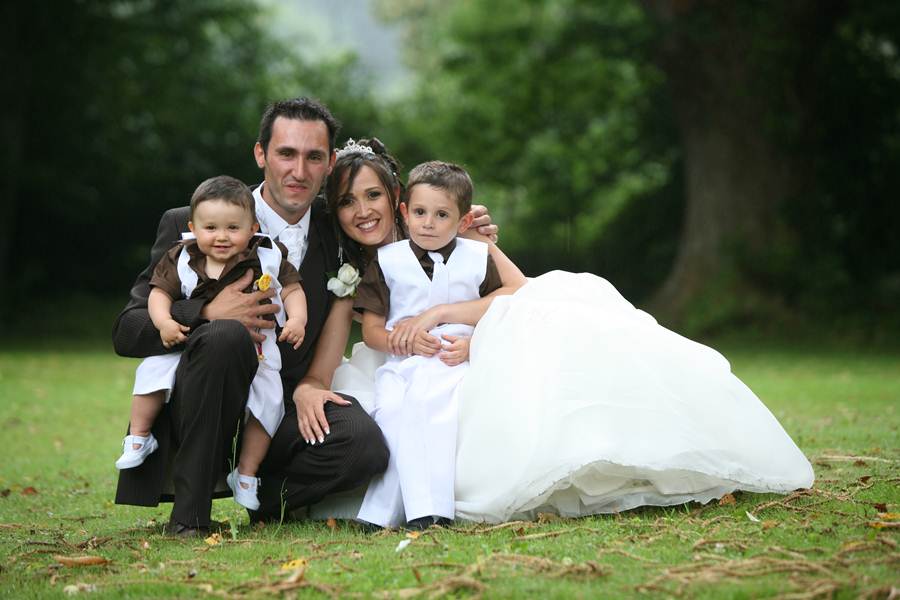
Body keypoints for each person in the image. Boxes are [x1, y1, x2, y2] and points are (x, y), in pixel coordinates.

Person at [317, 140, 815, 524]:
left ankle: (631, 444)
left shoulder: (451, 226)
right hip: (405, 360)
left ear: (396, 199)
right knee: (412, 406)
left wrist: (459, 318)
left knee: (573, 337)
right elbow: (370, 330)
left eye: (373, 195)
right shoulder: (351, 265)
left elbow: (518, 289)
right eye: (347, 201)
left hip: (484, 327)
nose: (363, 210)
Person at [113, 99, 500, 535]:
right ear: (261, 154)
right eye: (286, 154)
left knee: (364, 445)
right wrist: (204, 312)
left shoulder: (338, 225)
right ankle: (190, 516)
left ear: (330, 163)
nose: (299, 171)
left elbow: (392, 217)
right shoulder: (196, 221)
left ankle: (265, 497)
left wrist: (462, 230)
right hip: (206, 399)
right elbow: (127, 331)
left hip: (283, 409)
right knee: (225, 336)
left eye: (313, 157)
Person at [115, 176, 307, 513]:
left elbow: (291, 289)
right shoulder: (182, 256)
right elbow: (158, 295)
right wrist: (166, 323)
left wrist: (297, 320)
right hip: (188, 346)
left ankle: (246, 473)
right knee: (152, 373)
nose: (221, 236)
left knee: (269, 404)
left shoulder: (267, 255)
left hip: (260, 352)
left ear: (253, 228)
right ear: (193, 228)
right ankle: (140, 437)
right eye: (211, 228)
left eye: (233, 228)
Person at [354, 160, 511, 529]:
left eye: (442, 215)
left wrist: (473, 346)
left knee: (430, 404)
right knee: (391, 412)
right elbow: (371, 331)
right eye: (420, 212)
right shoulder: (387, 262)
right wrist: (400, 342)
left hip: (452, 359)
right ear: (404, 212)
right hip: (401, 362)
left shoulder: (478, 257)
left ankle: (430, 510)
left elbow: (505, 302)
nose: (428, 223)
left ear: (463, 221)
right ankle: (381, 511)